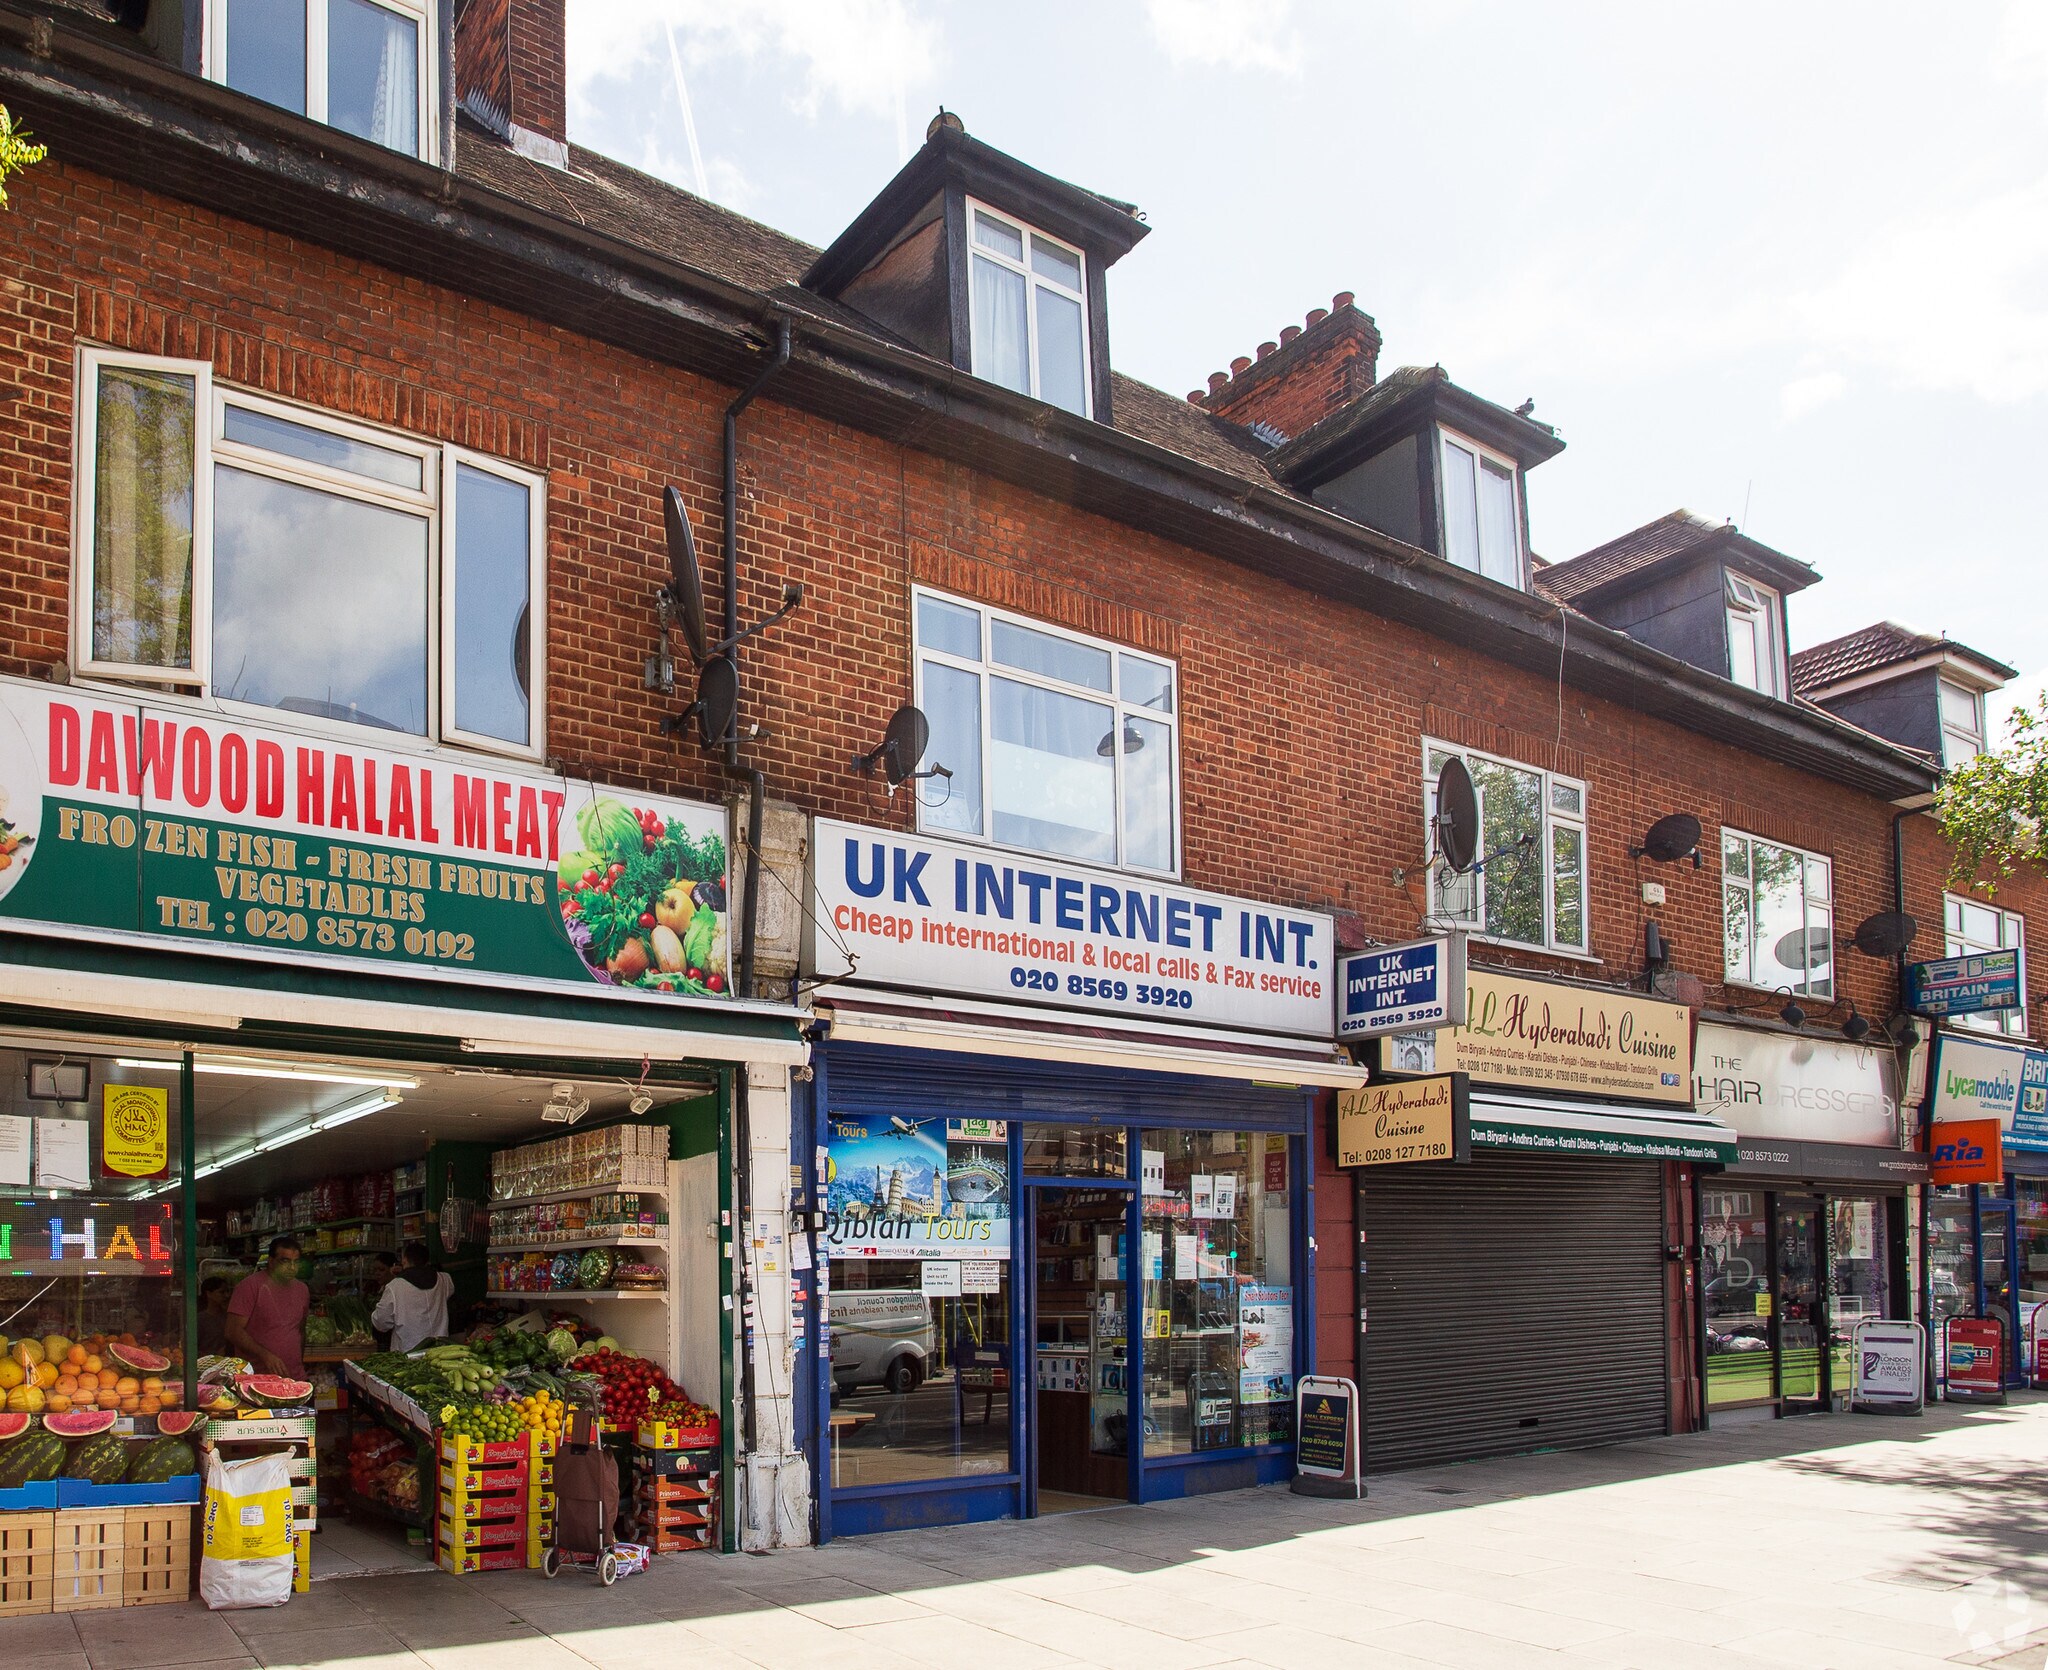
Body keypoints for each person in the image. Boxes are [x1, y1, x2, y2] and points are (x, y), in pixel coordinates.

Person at [225, 1237, 311, 1380]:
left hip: (294, 1376)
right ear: (271, 1261)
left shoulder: (302, 1290)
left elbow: (300, 1330)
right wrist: (265, 1355)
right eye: (285, 1261)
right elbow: (232, 1331)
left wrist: (299, 1363)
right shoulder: (249, 1287)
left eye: (296, 1262)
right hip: (256, 1378)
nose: (292, 1267)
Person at [372, 1240, 453, 1352]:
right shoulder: (445, 1280)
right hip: (440, 1353)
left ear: (404, 1261)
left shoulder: (394, 1286)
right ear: (427, 1261)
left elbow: (381, 1322)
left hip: (408, 1356)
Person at [196, 1275, 233, 1359]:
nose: (227, 1295)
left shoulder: (229, 1317)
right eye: (222, 1292)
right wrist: (214, 1355)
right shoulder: (200, 1320)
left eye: (228, 1292)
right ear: (209, 1294)